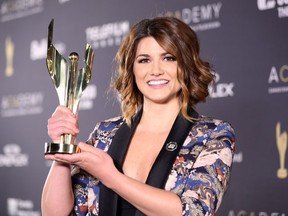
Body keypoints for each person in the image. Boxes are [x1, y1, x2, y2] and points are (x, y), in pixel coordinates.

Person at [41, 16, 235, 216]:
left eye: (169, 58)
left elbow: (195, 211)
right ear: (132, 69)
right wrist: (62, 154)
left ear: (186, 65)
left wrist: (110, 176)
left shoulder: (212, 135)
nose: (156, 70)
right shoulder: (106, 133)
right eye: (144, 60)